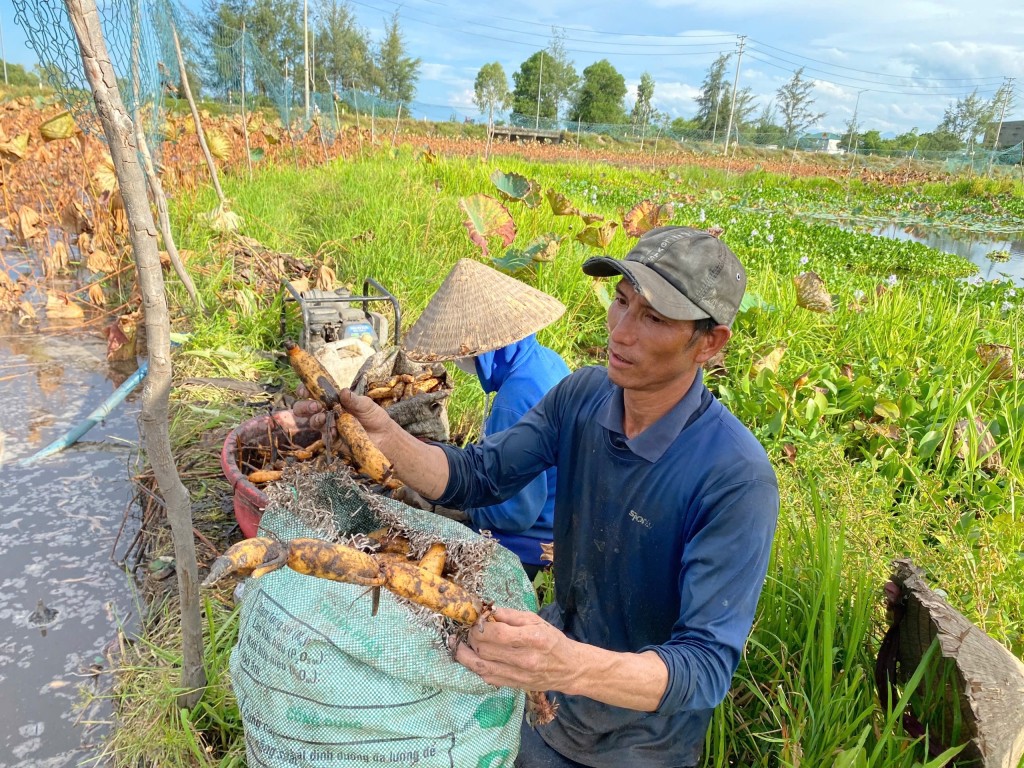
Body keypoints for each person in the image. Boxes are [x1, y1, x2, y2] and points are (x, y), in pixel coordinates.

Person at [302, 226, 780, 767]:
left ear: (710, 343)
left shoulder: (734, 477)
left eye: (654, 319)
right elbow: (479, 475)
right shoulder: (583, 395)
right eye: (621, 303)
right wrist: (385, 435)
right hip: (545, 700)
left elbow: (705, 667)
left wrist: (565, 664)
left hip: (640, 740)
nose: (621, 334)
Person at [401, 258, 571, 579]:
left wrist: (465, 503)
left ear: (485, 349)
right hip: (558, 516)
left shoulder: (514, 400)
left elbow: (516, 511)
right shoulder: (546, 360)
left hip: (528, 540)